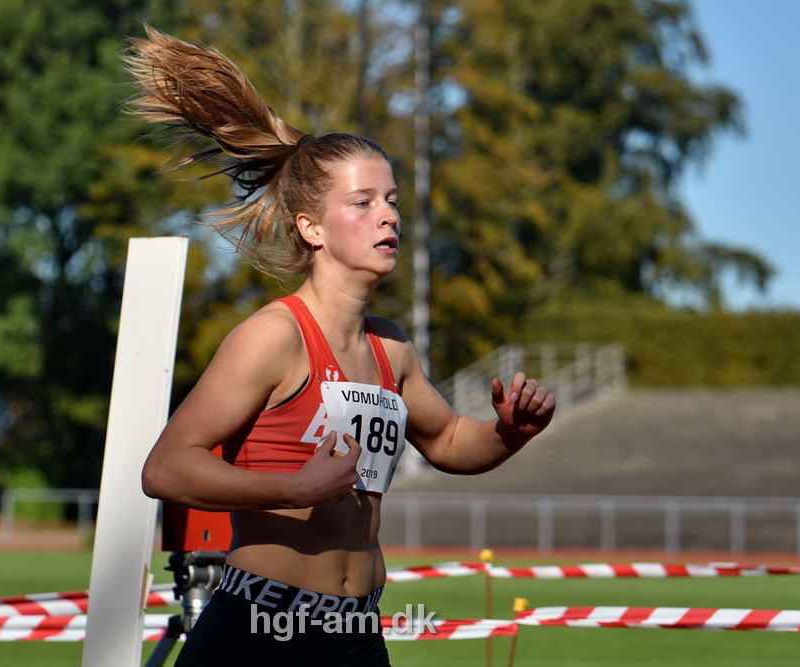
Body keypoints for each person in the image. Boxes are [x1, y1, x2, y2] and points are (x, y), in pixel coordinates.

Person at [125, 26, 556, 666]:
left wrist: (509, 432)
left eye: (391, 200)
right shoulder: (274, 336)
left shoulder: (392, 348)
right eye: (363, 202)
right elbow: (165, 468)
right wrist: (294, 489)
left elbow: (449, 442)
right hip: (259, 630)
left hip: (355, 634)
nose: (388, 216)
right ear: (311, 227)